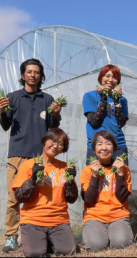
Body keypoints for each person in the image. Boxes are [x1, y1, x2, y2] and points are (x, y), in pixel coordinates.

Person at [0, 58, 62, 253]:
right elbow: (5, 125)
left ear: (41, 76)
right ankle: (11, 237)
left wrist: (57, 115)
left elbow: (53, 130)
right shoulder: (12, 98)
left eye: (36, 72)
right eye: (29, 72)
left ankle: (43, 234)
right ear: (23, 75)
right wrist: (1, 110)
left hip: (40, 158)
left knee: (40, 197)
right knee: (13, 198)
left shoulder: (48, 100)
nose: (33, 75)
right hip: (17, 155)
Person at [12, 128, 78, 257]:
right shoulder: (28, 165)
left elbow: (71, 199)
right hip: (33, 220)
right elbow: (19, 197)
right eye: (52, 140)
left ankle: (48, 240)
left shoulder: (65, 167)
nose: (56, 146)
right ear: (44, 142)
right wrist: (32, 179)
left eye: (60, 144)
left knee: (68, 251)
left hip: (59, 220)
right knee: (34, 253)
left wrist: (70, 182)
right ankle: (42, 241)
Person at [80, 130, 133, 251]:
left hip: (118, 216)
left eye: (108, 143)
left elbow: (122, 197)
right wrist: (94, 176)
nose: (104, 148)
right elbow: (89, 200)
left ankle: (113, 234)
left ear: (114, 147)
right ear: (94, 149)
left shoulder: (123, 169)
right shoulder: (87, 171)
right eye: (99, 144)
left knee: (121, 243)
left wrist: (120, 174)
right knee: (96, 246)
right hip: (94, 217)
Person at [82, 64, 128, 165]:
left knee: (120, 177)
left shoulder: (122, 100)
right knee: (95, 177)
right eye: (107, 76)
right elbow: (94, 121)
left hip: (118, 145)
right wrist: (103, 97)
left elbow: (121, 123)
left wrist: (116, 100)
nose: (110, 80)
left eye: (115, 77)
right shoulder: (90, 96)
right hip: (96, 145)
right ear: (101, 77)